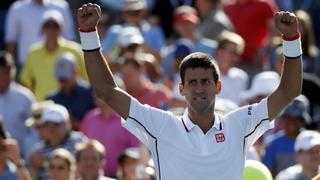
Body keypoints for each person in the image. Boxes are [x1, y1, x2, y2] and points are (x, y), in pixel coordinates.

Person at [77, 4, 302, 179]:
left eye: (205, 81)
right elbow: (106, 90)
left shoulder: (239, 124)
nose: (199, 88)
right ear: (181, 89)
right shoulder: (161, 125)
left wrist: (291, 39)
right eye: (192, 83)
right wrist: (88, 34)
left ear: (218, 86)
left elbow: (289, 91)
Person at [20, 10, 87, 101]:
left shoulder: (75, 50)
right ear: (42, 29)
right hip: (42, 105)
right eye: (48, 27)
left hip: (73, 105)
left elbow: (86, 78)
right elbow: (26, 82)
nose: (51, 30)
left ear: (61, 29)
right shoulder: (33, 52)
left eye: (55, 26)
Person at [80, 96, 140, 177]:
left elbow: (137, 150)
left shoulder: (127, 120)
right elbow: (82, 146)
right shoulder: (89, 118)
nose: (103, 98)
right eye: (99, 94)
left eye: (107, 93)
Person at [28, 104, 87, 179]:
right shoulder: (37, 151)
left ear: (67, 124)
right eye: (46, 124)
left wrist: (45, 164)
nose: (51, 128)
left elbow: (87, 172)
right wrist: (34, 168)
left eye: (56, 124)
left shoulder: (80, 143)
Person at [46, 53, 95, 130]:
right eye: (61, 79)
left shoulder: (90, 94)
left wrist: (70, 122)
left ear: (76, 72)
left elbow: (97, 126)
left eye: (65, 78)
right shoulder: (51, 100)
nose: (63, 81)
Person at [0, 51, 35, 154]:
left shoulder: (25, 97)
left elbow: (34, 130)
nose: (7, 75)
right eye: (3, 72)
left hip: (21, 155)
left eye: (9, 70)